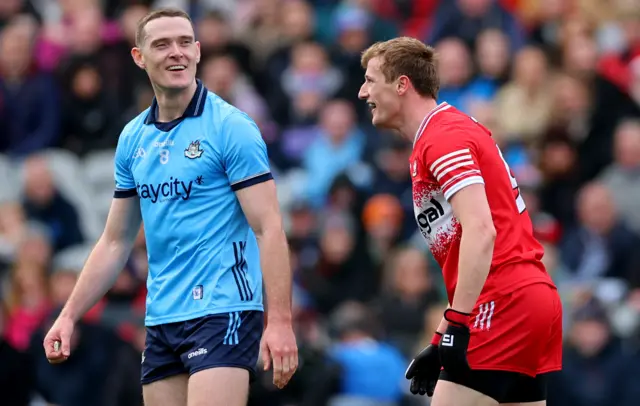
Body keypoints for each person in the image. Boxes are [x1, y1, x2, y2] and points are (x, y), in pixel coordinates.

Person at [43, 8, 298, 406]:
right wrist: (69, 314)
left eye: (184, 42)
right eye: (162, 44)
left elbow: (269, 228)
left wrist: (280, 322)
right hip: (162, 317)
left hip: (224, 308)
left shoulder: (231, 127)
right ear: (139, 57)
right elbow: (114, 242)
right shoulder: (132, 138)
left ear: (198, 51)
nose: (176, 52)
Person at [358, 37, 562, 406]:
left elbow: (482, 231)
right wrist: (440, 338)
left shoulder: (442, 137)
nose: (362, 92)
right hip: (526, 297)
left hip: (502, 301)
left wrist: (457, 321)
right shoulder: (441, 134)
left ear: (402, 84)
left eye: (371, 80)